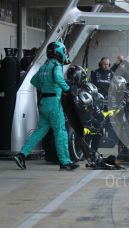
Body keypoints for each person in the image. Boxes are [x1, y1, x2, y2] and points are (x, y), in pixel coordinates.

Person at [13, 41, 79, 170]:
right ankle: (65, 162)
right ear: (60, 52)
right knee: (60, 132)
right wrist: (67, 89)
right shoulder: (56, 66)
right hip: (54, 102)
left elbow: (33, 81)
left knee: (40, 131)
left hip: (43, 102)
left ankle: (21, 155)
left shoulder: (44, 66)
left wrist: (45, 87)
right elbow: (59, 78)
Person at [90, 57, 117, 145]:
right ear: (101, 64)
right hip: (97, 100)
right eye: (104, 64)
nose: (106, 66)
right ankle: (97, 138)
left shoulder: (112, 74)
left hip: (108, 100)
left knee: (110, 120)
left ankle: (109, 139)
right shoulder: (94, 73)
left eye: (108, 64)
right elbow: (92, 85)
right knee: (98, 119)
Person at [110, 55, 129, 120]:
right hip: (117, 93)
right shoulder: (115, 67)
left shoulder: (127, 65)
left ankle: (128, 123)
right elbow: (110, 72)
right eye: (119, 59)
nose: (120, 60)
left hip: (126, 91)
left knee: (127, 110)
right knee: (118, 111)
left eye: (121, 59)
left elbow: (128, 73)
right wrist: (115, 64)